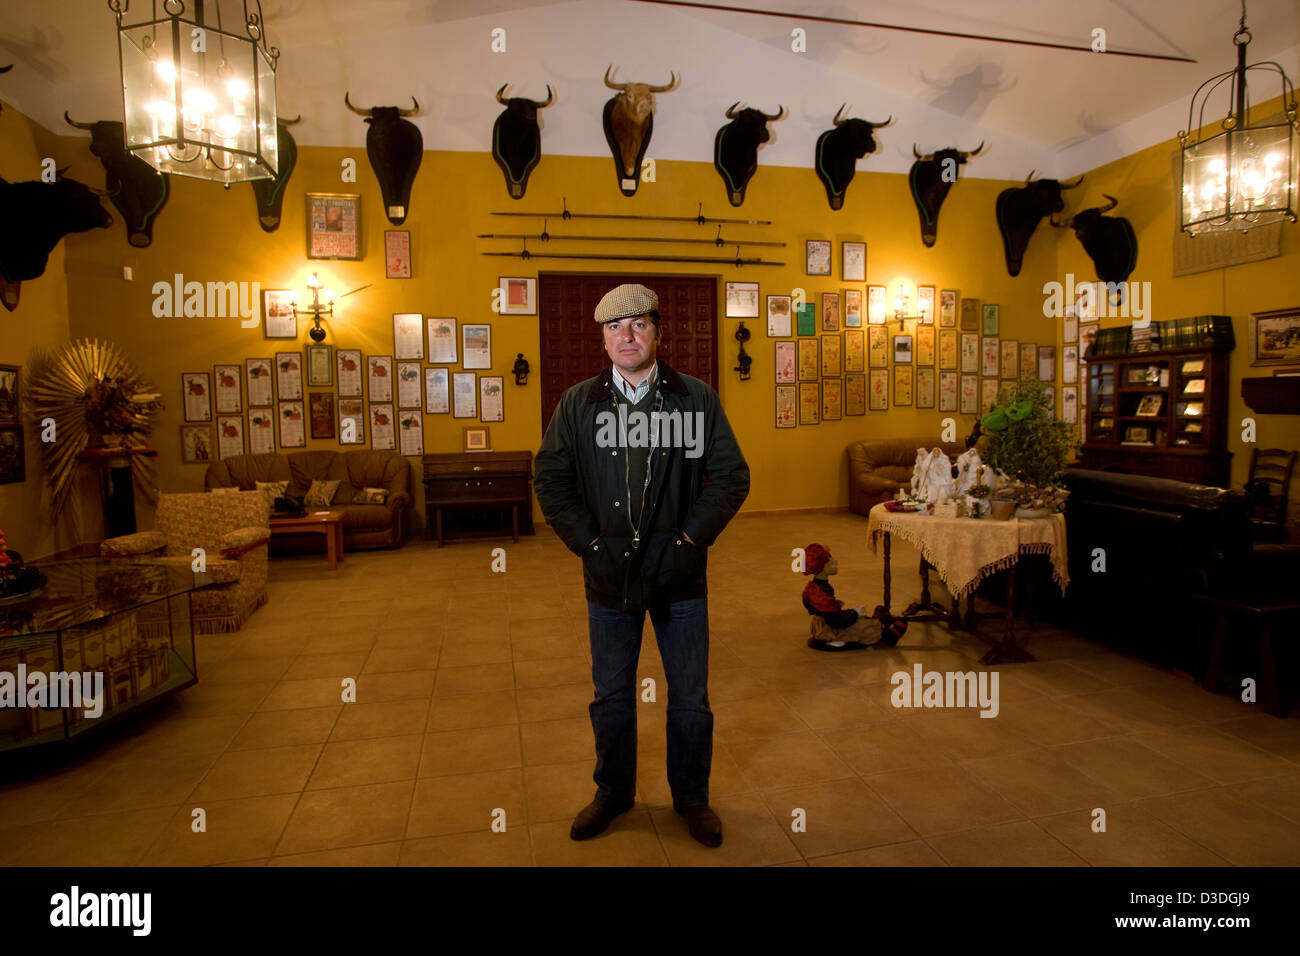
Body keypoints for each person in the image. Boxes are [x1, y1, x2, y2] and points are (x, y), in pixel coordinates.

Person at [535, 283, 750, 848]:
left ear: (657, 330)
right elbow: (551, 480)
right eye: (613, 327)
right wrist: (589, 545)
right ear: (603, 338)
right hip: (608, 576)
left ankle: (692, 797)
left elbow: (731, 476)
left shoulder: (695, 399)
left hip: (680, 577)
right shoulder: (579, 403)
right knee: (610, 695)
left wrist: (686, 542)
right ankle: (613, 792)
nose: (625, 336)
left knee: (689, 698)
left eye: (637, 325)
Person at [801, 543, 906, 651]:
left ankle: (874, 622)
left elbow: (811, 605)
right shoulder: (821, 592)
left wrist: (831, 607)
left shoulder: (813, 587)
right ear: (823, 567)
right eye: (830, 559)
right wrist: (855, 613)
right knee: (862, 627)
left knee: (859, 620)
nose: (835, 561)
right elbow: (835, 621)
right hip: (827, 630)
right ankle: (887, 636)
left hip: (820, 624)